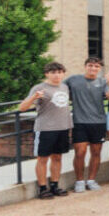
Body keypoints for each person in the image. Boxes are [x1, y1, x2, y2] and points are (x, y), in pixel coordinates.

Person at [19, 62, 73, 199]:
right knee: (42, 159)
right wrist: (34, 97)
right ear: (47, 74)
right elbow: (22, 108)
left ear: (63, 74)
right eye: (53, 72)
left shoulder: (65, 87)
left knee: (58, 157)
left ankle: (54, 185)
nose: (56, 75)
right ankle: (43, 188)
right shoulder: (39, 88)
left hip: (63, 127)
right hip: (45, 128)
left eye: (59, 72)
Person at [65, 57, 108, 193]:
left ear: (99, 69)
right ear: (85, 66)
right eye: (90, 65)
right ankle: (79, 181)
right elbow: (59, 89)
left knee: (96, 152)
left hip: (98, 122)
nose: (93, 68)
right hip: (79, 121)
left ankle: (91, 180)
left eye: (96, 66)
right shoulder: (73, 79)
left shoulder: (103, 82)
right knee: (80, 152)